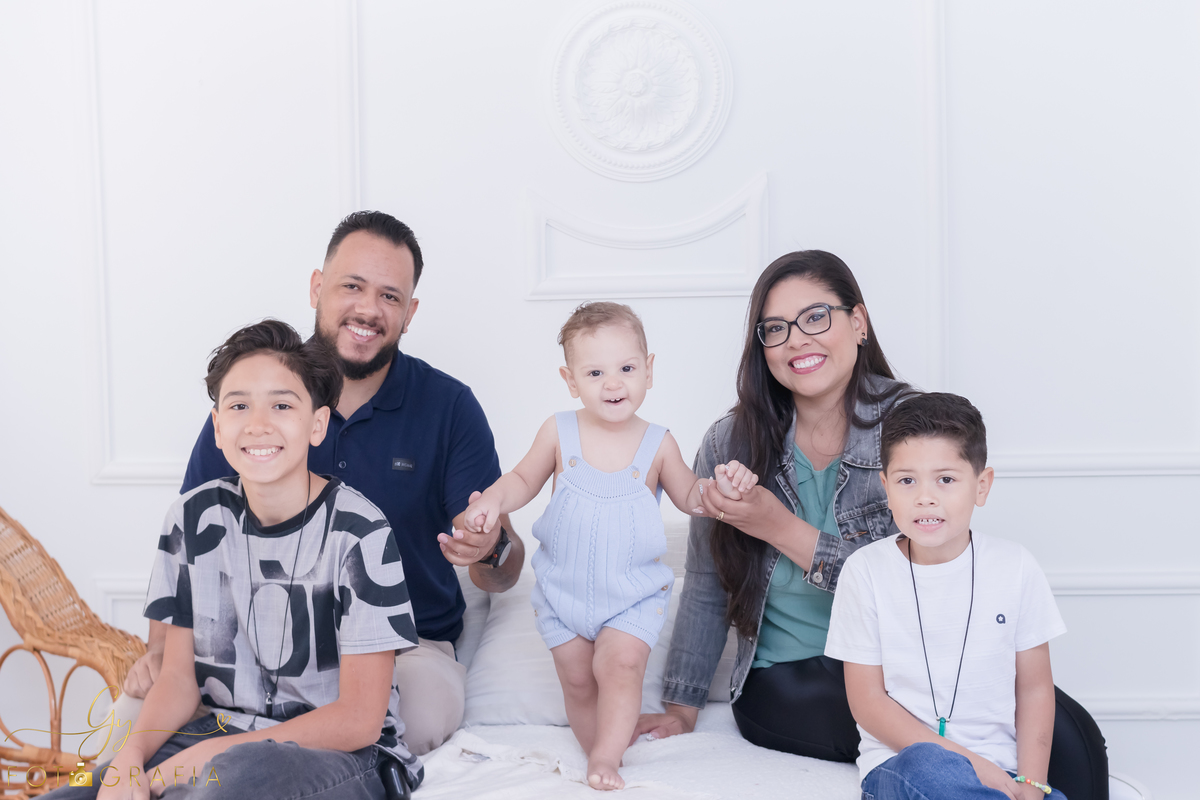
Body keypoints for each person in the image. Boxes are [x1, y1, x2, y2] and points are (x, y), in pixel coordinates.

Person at [633, 251, 1108, 800]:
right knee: (951, 759)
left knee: (1072, 742)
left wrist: (777, 524)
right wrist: (682, 705)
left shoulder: (907, 427)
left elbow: (916, 570)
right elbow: (707, 581)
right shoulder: (729, 442)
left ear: (857, 323)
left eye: (816, 317)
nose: (796, 340)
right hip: (788, 673)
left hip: (913, 661)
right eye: (775, 329)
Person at [118, 211, 523, 757]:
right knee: (132, 720)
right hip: (255, 643)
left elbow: (502, 566)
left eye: (389, 296)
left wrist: (491, 546)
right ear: (316, 288)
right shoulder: (253, 403)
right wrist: (163, 651)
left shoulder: (449, 407)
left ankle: (253, 762)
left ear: (410, 312)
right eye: (352, 286)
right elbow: (191, 543)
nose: (368, 309)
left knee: (414, 719)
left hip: (404, 648)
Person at [48, 320, 421, 799]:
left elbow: (359, 720)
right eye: (239, 405)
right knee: (77, 790)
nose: (259, 423)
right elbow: (180, 679)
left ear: (317, 424)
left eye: (282, 405)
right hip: (217, 736)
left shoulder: (360, 531)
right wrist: (130, 759)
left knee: (227, 784)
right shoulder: (192, 518)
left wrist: (195, 763)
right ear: (218, 427)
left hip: (343, 757)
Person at [461, 302, 756, 791]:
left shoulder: (657, 443)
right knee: (578, 681)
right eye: (595, 372)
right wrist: (492, 501)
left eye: (626, 368)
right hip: (564, 595)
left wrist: (720, 488)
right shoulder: (560, 431)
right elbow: (521, 479)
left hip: (632, 595)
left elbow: (689, 495)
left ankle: (606, 758)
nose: (613, 383)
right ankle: (597, 744)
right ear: (571, 380)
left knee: (619, 665)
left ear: (649, 370)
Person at [826, 392, 1066, 800]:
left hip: (1002, 771)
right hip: (903, 764)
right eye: (907, 480)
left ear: (981, 485)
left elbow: (1035, 688)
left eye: (946, 479)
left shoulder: (1016, 567)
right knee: (930, 767)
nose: (925, 497)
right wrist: (972, 764)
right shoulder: (865, 572)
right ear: (886, 487)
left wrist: (1031, 784)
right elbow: (868, 701)